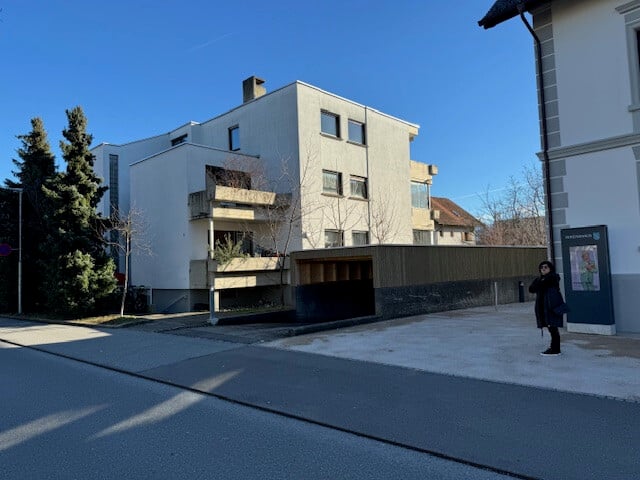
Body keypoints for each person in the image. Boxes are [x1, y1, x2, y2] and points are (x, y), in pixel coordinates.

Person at [529, 260, 564, 356]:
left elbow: (544, 285)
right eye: (541, 268)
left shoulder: (552, 278)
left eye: (545, 267)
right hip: (542, 307)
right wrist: (539, 282)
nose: (543, 269)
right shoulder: (540, 279)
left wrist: (540, 282)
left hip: (550, 307)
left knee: (553, 327)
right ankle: (554, 347)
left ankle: (555, 349)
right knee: (551, 328)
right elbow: (531, 289)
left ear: (550, 269)